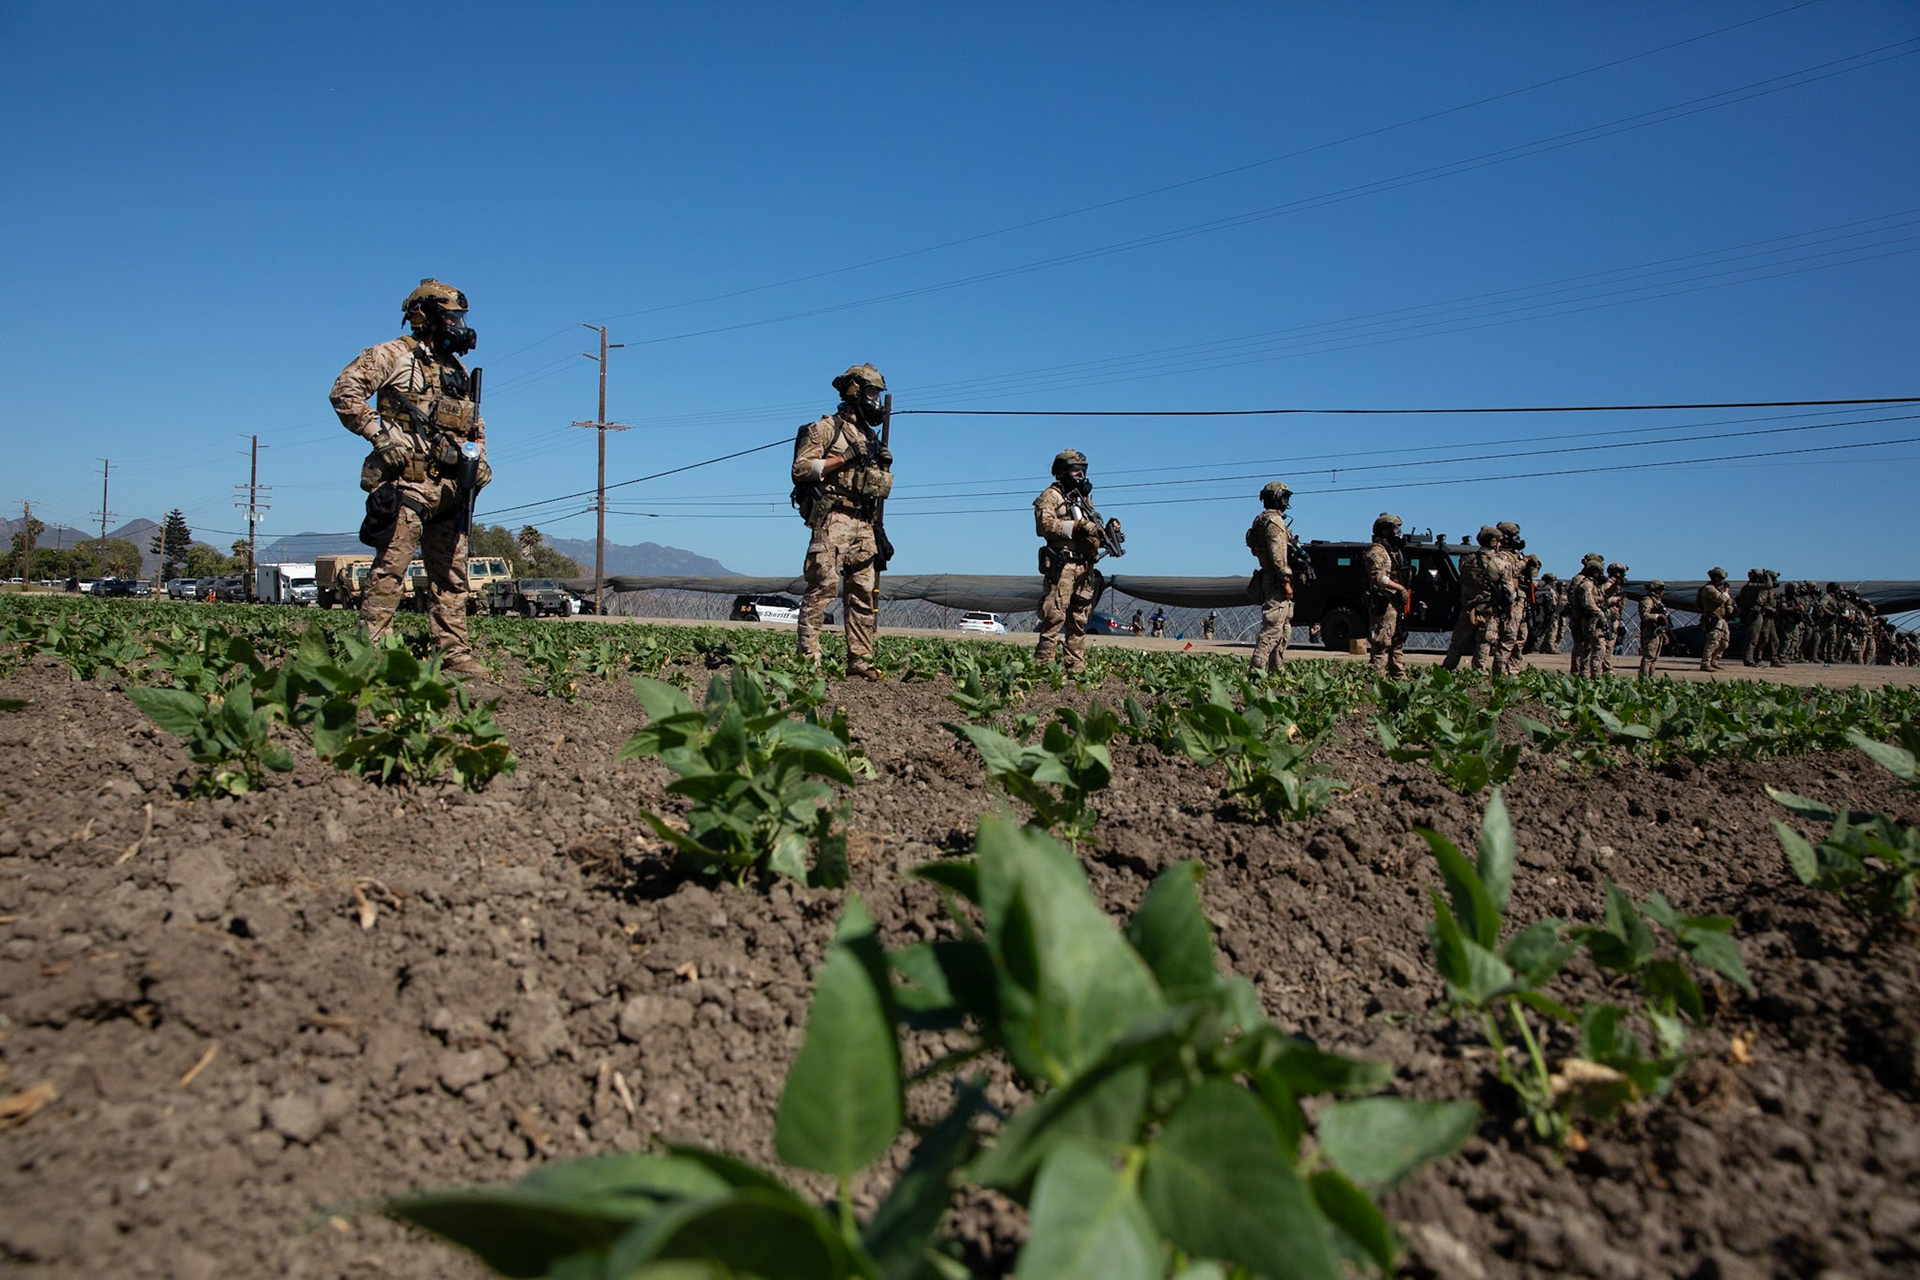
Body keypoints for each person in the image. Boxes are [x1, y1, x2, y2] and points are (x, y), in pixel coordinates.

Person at [330, 278, 491, 674]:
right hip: (407, 484)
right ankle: (371, 653)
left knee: (451, 578)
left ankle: (454, 653)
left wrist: (479, 459)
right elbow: (344, 392)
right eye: (452, 315)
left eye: (461, 317)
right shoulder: (392, 355)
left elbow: (475, 427)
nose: (459, 324)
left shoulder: (458, 370)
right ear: (428, 316)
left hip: (450, 490)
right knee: (390, 572)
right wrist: (379, 435)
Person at [791, 364, 893, 679]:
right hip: (833, 517)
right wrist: (845, 458)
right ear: (855, 392)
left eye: (879, 394)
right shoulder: (825, 428)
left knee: (863, 593)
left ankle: (860, 662)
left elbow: (875, 486)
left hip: (864, 522)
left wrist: (880, 467)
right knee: (823, 587)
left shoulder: (871, 437)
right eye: (872, 393)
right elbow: (801, 469)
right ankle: (809, 663)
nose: (876, 401)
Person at [1033, 449, 1122, 673]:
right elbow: (1044, 526)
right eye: (1075, 471)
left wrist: (1106, 533)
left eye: (1083, 471)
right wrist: (1077, 526)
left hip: (1084, 567)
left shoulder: (1083, 500)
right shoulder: (1051, 496)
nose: (1080, 476)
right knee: (1054, 617)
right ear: (1061, 472)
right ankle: (1043, 667)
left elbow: (1091, 532)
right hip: (1063, 565)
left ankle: (1075, 668)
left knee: (1079, 621)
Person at [1246, 481, 1296, 674]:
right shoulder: (1274, 522)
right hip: (1276, 579)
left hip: (1272, 576)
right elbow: (1277, 555)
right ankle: (1256, 670)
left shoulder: (1261, 520)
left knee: (1283, 628)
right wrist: (1285, 579)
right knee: (1273, 628)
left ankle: (1277, 669)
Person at [1441, 526, 1501, 672]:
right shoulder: (1498, 564)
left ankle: (1446, 668)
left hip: (1468, 607)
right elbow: (1507, 590)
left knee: (1457, 642)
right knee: (1484, 642)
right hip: (1488, 609)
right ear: (1493, 542)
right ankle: (1479, 671)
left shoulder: (1466, 561)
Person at [1363, 513, 1411, 678]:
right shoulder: (1377, 551)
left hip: (1395, 602)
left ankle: (1398, 674)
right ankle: (1377, 676)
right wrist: (1400, 588)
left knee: (1397, 639)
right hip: (1383, 602)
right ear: (1385, 531)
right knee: (1382, 642)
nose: (1398, 532)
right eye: (1395, 528)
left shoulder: (1394, 552)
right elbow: (1379, 578)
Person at [1567, 554, 1606, 679]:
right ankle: (1578, 672)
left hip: (1584, 616)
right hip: (1581, 616)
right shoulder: (1582, 581)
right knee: (1581, 645)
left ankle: (1583, 672)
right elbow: (1580, 600)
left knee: (1587, 646)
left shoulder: (1592, 582)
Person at [1697, 567, 1735, 672]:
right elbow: (1720, 598)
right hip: (1713, 618)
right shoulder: (1708, 589)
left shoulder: (1719, 590)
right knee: (1713, 641)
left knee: (1724, 643)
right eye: (1721, 578)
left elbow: (1728, 601)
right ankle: (1705, 663)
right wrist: (1726, 592)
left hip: (1722, 619)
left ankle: (1715, 661)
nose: (1723, 581)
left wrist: (1729, 607)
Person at [1599, 562, 1628, 676]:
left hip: (1615, 617)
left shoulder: (1618, 586)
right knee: (1607, 643)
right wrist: (1617, 598)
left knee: (1611, 643)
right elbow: (1603, 601)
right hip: (1608, 617)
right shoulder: (1607, 585)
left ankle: (1607, 666)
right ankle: (1605, 667)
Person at [1637, 580, 1670, 679]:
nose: (1663, 591)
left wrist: (1664, 634)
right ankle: (1644, 677)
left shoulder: (1657, 601)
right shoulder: (1648, 600)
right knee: (1649, 656)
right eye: (1661, 589)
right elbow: (1644, 615)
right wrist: (1657, 616)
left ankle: (1650, 676)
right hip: (1650, 631)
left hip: (1658, 631)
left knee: (1654, 657)